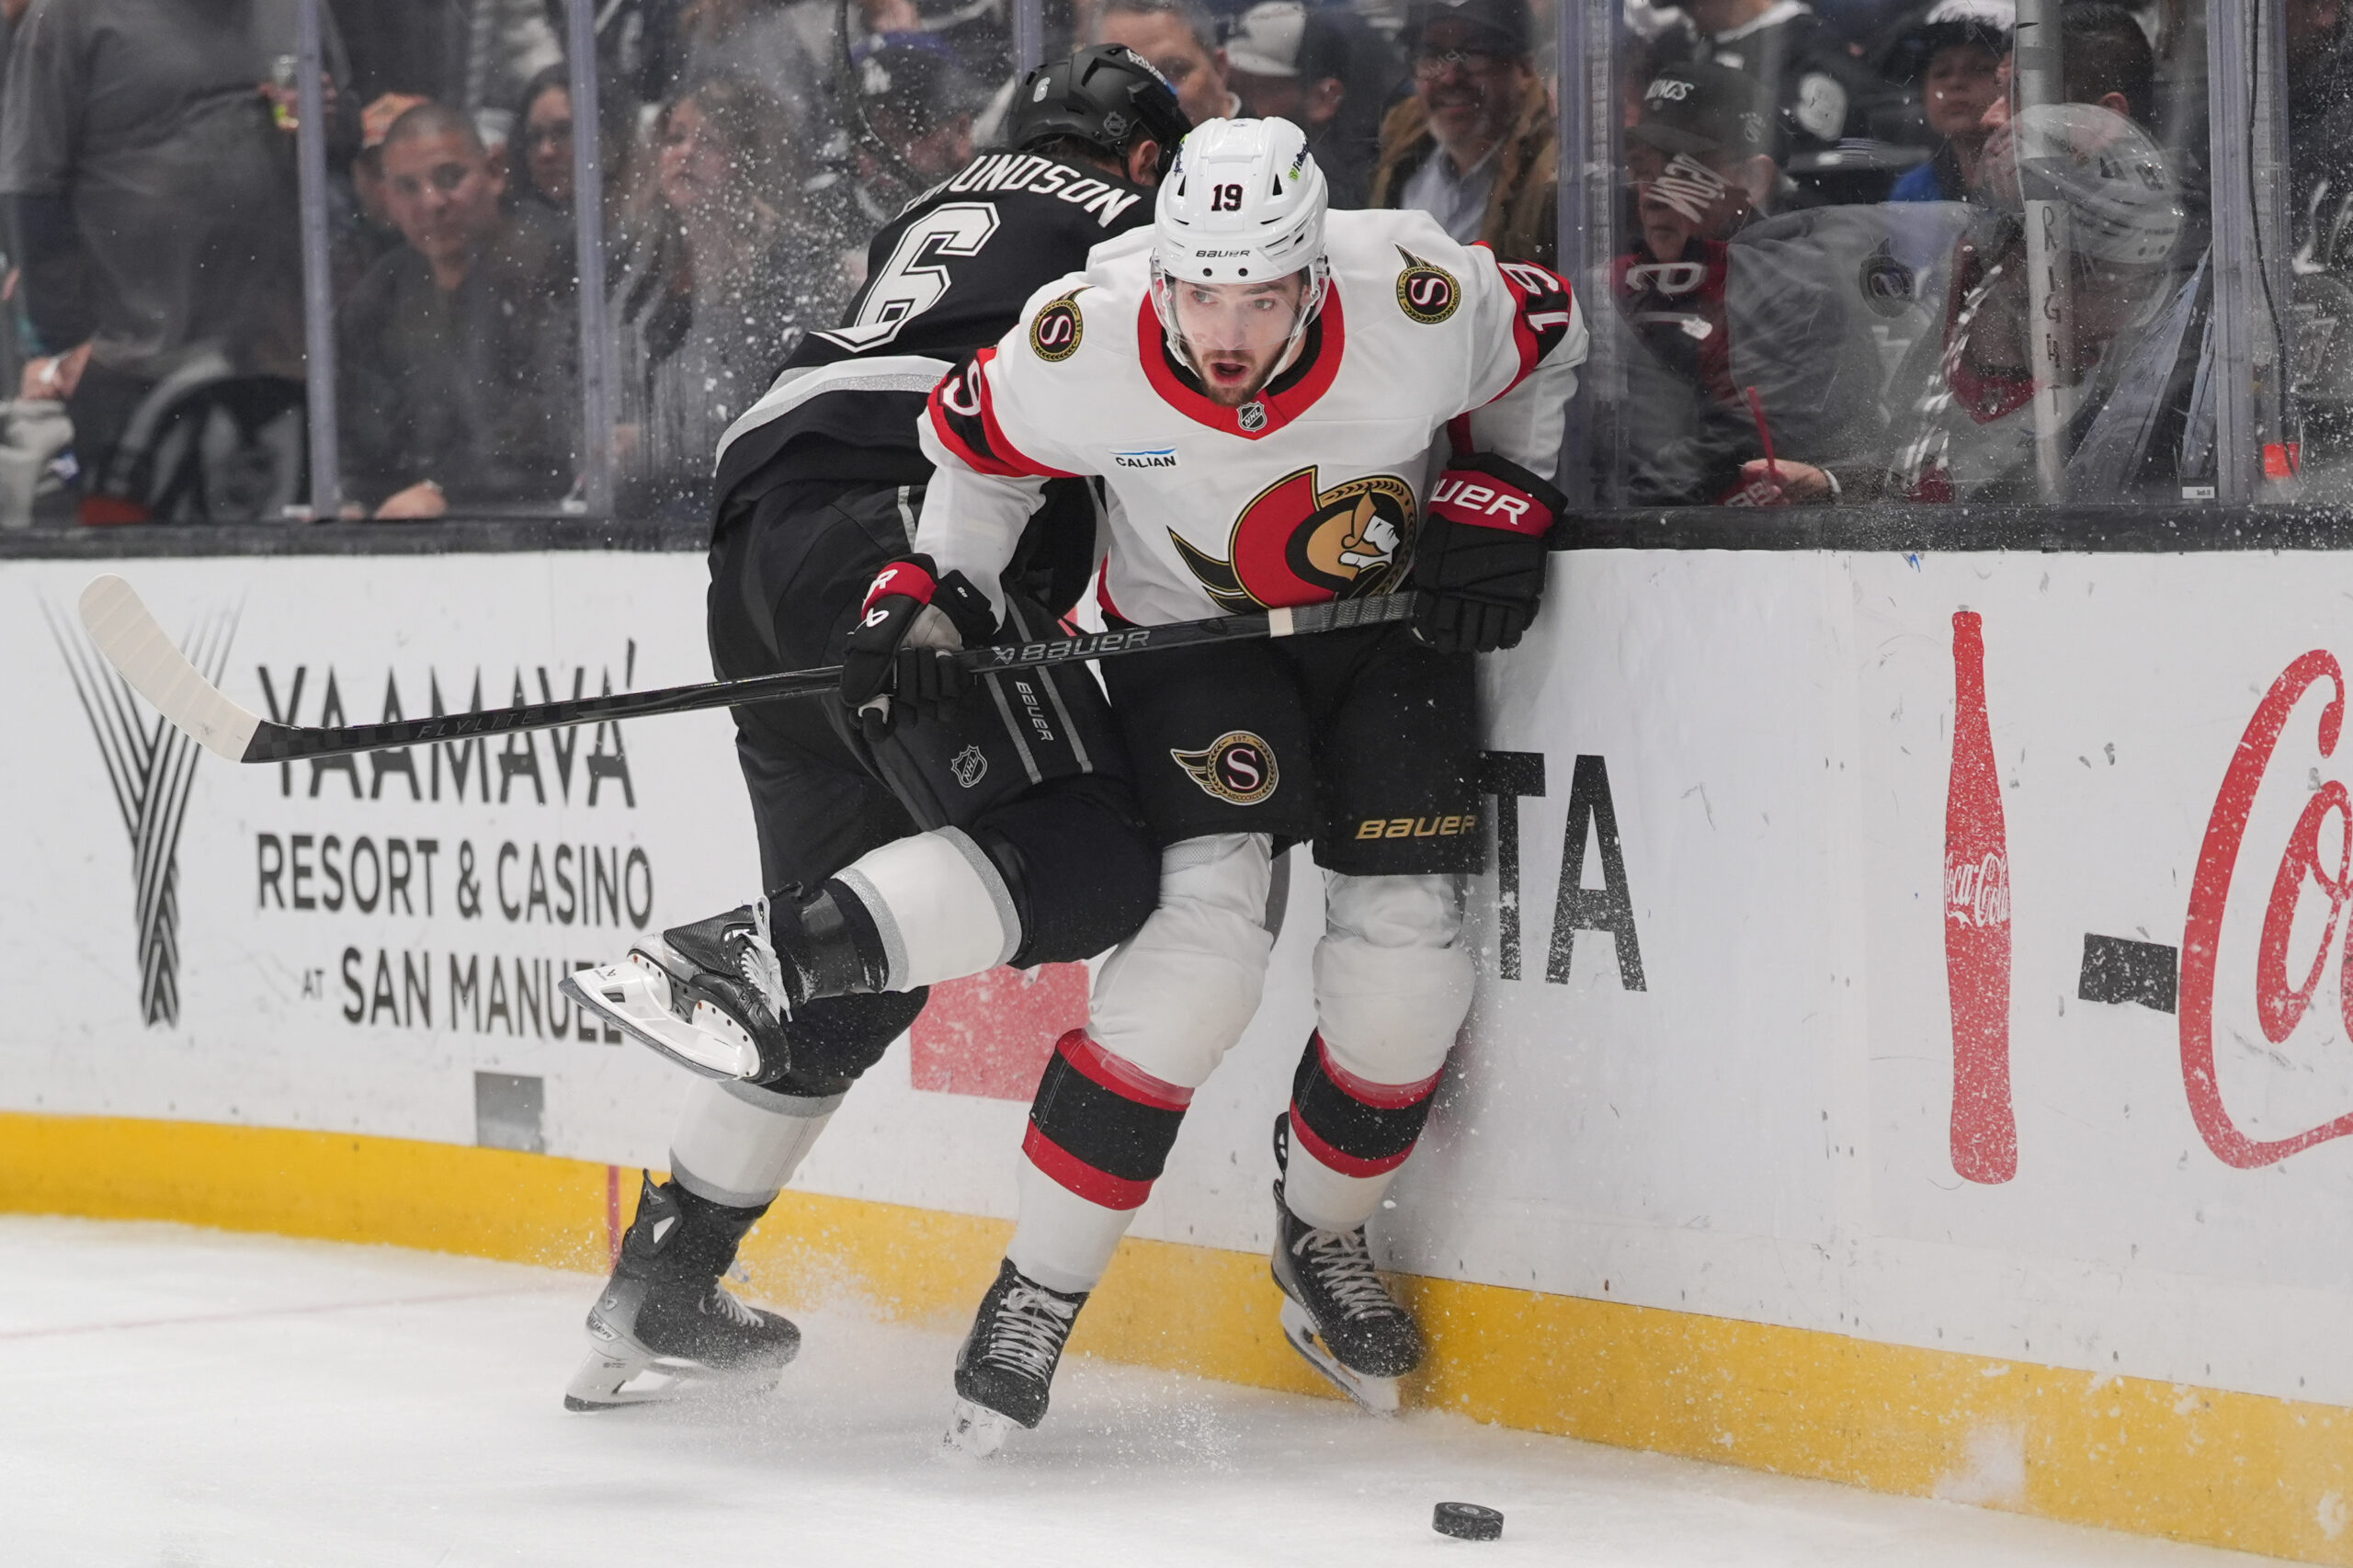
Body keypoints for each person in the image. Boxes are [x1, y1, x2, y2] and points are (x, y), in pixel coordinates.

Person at [880, 115, 1586, 1451]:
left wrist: (1504, 482)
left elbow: (1545, 336)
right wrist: (941, 598)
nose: (1226, 329)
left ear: (1315, 275)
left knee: (1409, 968)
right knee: (1199, 958)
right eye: (1202, 292)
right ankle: (1036, 1288)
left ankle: (1318, 1237)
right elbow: (972, 447)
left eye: (1260, 296)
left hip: (1385, 637)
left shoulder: (1413, 290)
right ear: (1163, 272)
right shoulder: (1082, 337)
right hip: (1189, 653)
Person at [558, 46, 1190, 1413]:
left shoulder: (943, 206)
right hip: (894, 527)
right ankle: (726, 953)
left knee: (860, 962)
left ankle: (667, 1273)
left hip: (759, 542)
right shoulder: (1141, 227)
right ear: (1147, 157)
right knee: (1094, 852)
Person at [0, 0, 346, 517]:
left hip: (272, 353)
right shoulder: (69, 14)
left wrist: (327, 119)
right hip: (130, 361)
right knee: (126, 560)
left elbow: (348, 141)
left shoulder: (296, 7)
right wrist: (59, 339)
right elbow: (31, 183)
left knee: (274, 561)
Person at [610, 77, 852, 518]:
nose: (685, 153)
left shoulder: (795, 267)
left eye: (711, 143)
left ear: (750, 159)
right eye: (675, 138)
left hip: (757, 511)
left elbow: (783, 417)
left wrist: (650, 444)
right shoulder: (636, 265)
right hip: (640, 512)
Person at [336, 101, 579, 517]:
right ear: (386, 197)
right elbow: (363, 439)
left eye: (450, 178)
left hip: (540, 523)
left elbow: (547, 421)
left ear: (495, 171)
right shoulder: (380, 293)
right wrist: (361, 501)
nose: (432, 202)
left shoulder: (554, 264)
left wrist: (442, 489)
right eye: (408, 187)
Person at [1368, 0, 1555, 264]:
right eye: (1431, 55)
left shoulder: (1551, 179)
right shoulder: (1402, 153)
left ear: (1524, 69)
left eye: (1473, 54)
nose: (1449, 78)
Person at [1224, 1, 1371, 207]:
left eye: (1258, 89)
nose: (1233, 103)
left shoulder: (1333, 192)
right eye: (1230, 86)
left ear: (1324, 99)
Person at [1880, 0, 2012, 204]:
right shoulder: (1914, 191)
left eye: (1981, 68)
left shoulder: (2037, 181)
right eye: (1941, 73)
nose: (1955, 82)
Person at [1097, 0, 1239, 125]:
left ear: (1219, 69)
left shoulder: (1259, 149)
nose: (1150, 98)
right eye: (1125, 79)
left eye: (1174, 70)